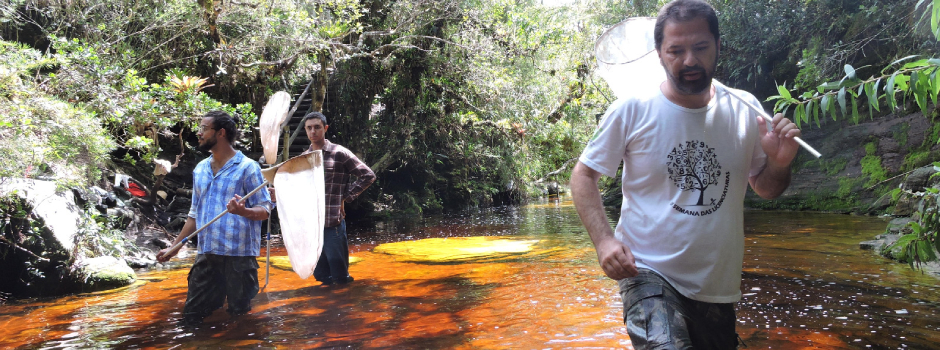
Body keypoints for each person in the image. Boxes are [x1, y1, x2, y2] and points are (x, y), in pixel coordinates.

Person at [570, 0, 802, 348]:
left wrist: (780, 163)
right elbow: (583, 176)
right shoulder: (632, 109)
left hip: (717, 288)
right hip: (647, 272)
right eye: (676, 50)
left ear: (718, 47)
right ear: (660, 55)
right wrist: (605, 241)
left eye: (700, 47)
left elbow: (766, 188)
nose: (689, 60)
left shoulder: (745, 109)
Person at [156, 110, 273, 325]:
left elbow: (265, 210)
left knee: (239, 318)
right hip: (207, 254)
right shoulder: (200, 169)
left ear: (220, 133)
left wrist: (243, 211)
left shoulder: (248, 168)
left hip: (239, 258)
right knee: (191, 318)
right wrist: (174, 247)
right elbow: (194, 215)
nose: (199, 133)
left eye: (203, 128)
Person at [272, 111, 375, 286]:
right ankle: (328, 308)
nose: (313, 132)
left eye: (317, 127)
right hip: (311, 226)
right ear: (305, 130)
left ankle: (344, 306)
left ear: (325, 128)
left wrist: (346, 197)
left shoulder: (339, 153)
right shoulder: (303, 159)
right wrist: (279, 193)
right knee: (320, 275)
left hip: (332, 222)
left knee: (339, 274)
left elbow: (368, 175)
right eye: (309, 128)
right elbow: (299, 191)